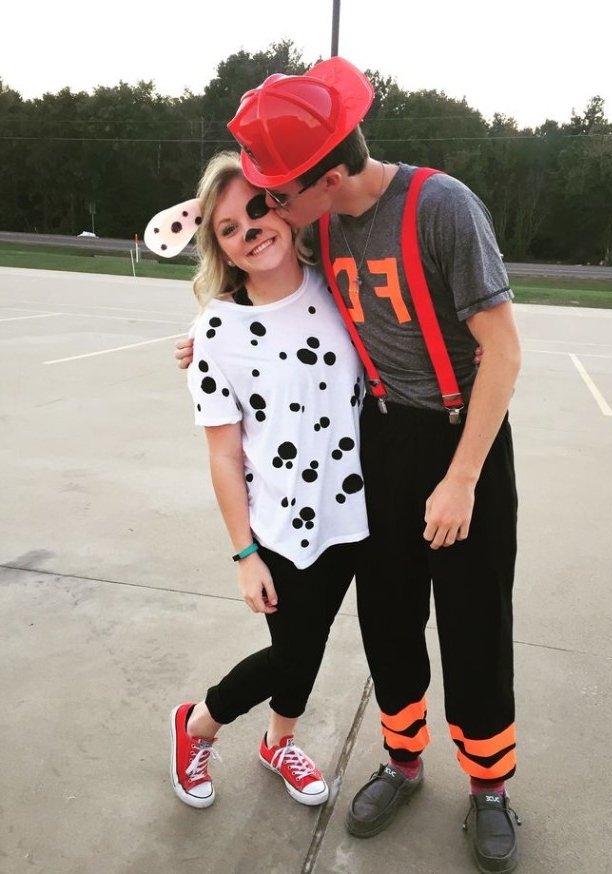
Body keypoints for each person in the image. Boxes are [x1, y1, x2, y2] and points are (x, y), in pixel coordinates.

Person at [177, 58, 522, 874]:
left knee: (474, 625)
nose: (268, 207)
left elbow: (503, 353)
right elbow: (275, 307)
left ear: (323, 179)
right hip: (382, 443)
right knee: (389, 621)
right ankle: (403, 762)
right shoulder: (323, 227)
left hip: (462, 439)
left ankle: (488, 784)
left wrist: (463, 477)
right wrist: (206, 339)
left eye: (275, 194)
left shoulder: (443, 209)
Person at [151, 150, 369, 811]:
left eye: (256, 208)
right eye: (227, 228)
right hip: (278, 525)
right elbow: (222, 456)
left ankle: (279, 741)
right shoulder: (218, 330)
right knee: (293, 654)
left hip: (355, 515)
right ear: (218, 247)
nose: (250, 230)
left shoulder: (338, 284)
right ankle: (197, 726)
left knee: (310, 645)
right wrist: (245, 554)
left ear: (281, 204)